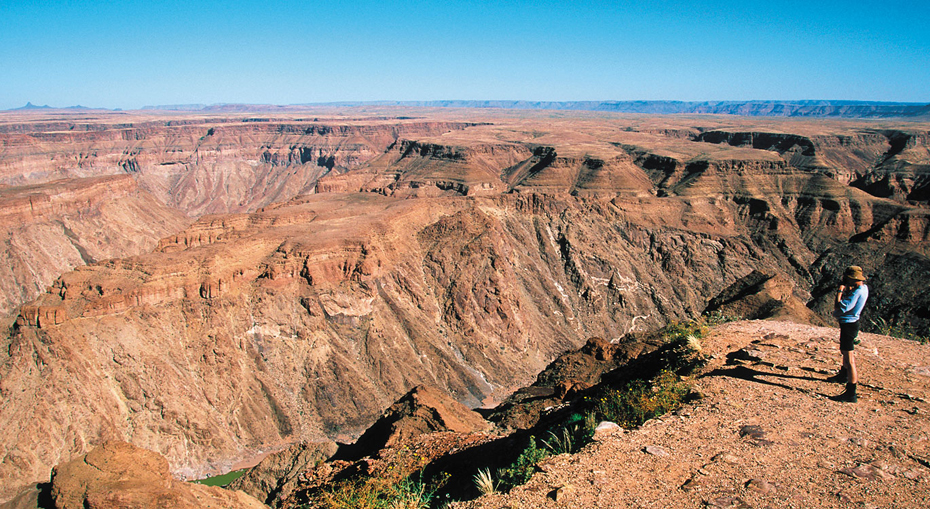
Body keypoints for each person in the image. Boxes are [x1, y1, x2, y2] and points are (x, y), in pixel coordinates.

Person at [828, 265, 869, 403]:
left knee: (850, 358)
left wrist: (840, 291)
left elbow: (841, 306)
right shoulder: (863, 288)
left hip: (848, 324)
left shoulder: (856, 292)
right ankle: (843, 376)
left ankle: (851, 392)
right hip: (851, 323)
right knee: (845, 352)